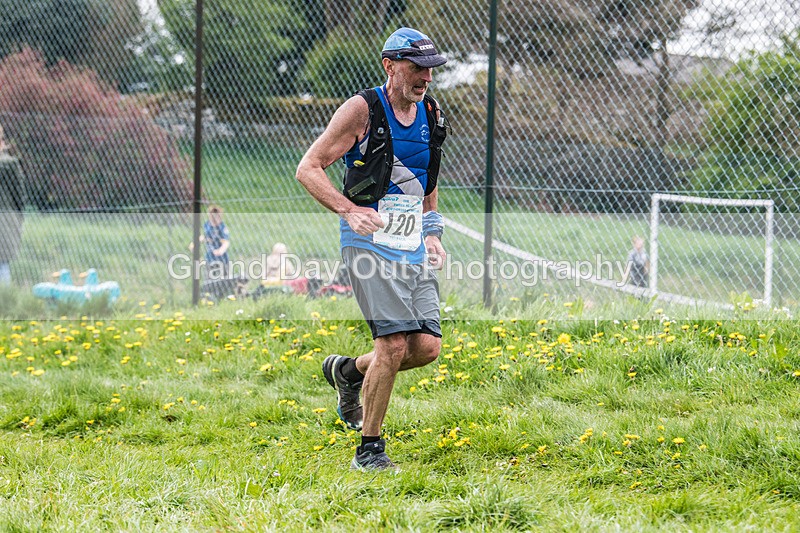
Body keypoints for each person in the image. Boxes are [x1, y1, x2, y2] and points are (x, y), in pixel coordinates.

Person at [295, 27, 449, 471]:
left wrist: (433, 232)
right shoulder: (361, 110)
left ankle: (348, 372)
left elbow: (427, 180)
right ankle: (370, 450)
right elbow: (308, 168)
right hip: (367, 244)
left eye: (431, 70)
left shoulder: (432, 114)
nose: (426, 78)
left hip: (411, 243)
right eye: (417, 68)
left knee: (425, 347)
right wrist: (348, 211)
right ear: (390, 66)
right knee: (394, 342)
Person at [0, 123, 24, 285]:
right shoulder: (10, 164)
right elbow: (19, 197)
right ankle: (5, 304)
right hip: (7, 220)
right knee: (3, 265)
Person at [203, 205, 230, 279]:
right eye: (212, 217)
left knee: (224, 277)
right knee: (209, 277)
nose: (214, 219)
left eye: (217, 217)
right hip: (210, 256)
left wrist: (220, 250)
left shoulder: (222, 227)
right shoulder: (207, 225)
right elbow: (206, 237)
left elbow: (226, 242)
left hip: (222, 258)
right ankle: (209, 289)